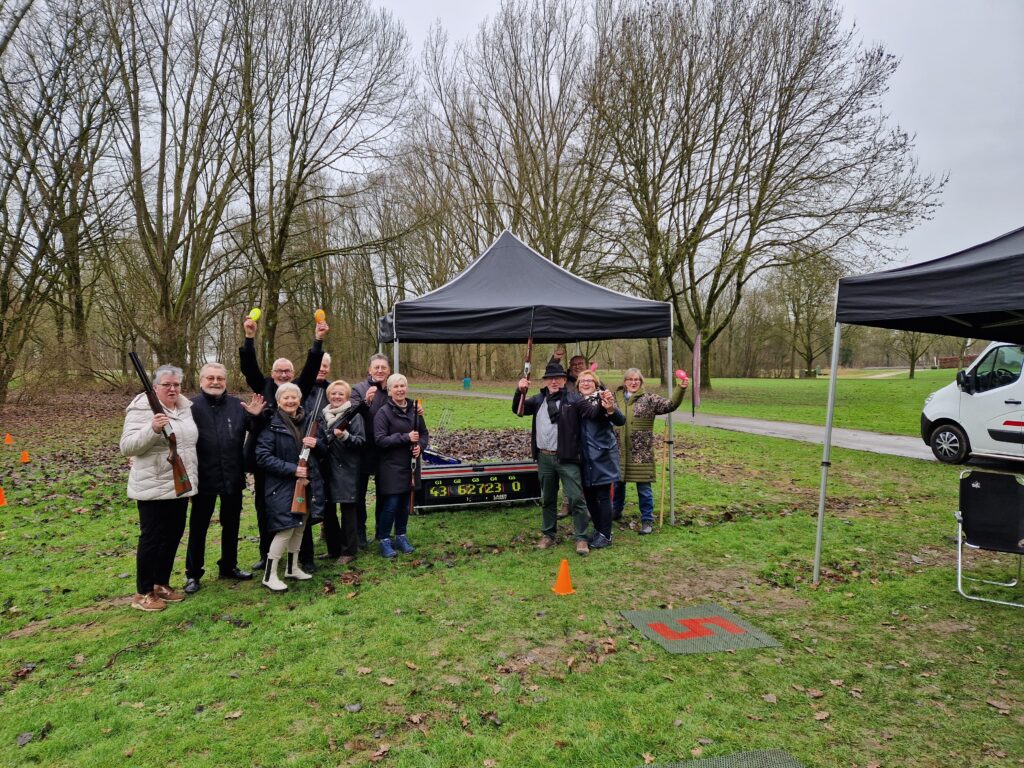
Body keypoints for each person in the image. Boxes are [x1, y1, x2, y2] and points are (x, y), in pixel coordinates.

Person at [239, 314, 328, 570]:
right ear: (272, 373)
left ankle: (304, 558)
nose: (283, 374)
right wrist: (249, 338)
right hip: (267, 458)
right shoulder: (262, 385)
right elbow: (248, 367)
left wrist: (318, 340)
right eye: (279, 370)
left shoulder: (297, 388)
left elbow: (312, 368)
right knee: (266, 508)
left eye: (287, 370)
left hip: (296, 458)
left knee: (302, 506)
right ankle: (266, 556)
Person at [120, 364, 199, 612]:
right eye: (166, 384)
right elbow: (127, 447)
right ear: (155, 387)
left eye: (176, 384)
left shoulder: (185, 408)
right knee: (152, 539)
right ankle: (143, 592)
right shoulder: (142, 408)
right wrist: (152, 429)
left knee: (173, 534)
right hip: (153, 483)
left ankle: (161, 583)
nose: (172, 388)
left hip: (179, 482)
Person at [183, 363, 266, 594]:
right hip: (203, 476)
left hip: (232, 474)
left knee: (231, 524)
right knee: (199, 527)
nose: (215, 382)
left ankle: (229, 565)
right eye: (210, 378)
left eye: (220, 378)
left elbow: (255, 429)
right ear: (201, 381)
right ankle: (193, 574)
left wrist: (257, 417)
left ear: (226, 381)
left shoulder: (237, 405)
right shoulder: (190, 406)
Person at [512, 361, 606, 556]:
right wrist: (519, 391)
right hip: (544, 458)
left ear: (564, 380)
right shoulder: (538, 400)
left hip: (568, 458)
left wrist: (605, 401)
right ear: (545, 381)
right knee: (548, 499)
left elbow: (593, 412)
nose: (554, 381)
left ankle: (581, 538)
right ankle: (548, 534)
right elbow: (518, 410)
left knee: (576, 499)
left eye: (558, 378)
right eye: (550, 378)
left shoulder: (574, 399)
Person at [254, 383, 327, 592]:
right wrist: (292, 469)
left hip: (306, 484)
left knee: (300, 527)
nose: (290, 401)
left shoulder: (309, 422)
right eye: (285, 398)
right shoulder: (271, 425)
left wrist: (316, 444)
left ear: (299, 399)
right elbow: (263, 457)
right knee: (285, 530)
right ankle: (269, 575)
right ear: (278, 401)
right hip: (282, 486)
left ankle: (292, 568)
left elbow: (323, 450)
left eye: (294, 397)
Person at [613, 367, 687, 535]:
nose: (633, 382)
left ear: (641, 382)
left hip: (641, 454)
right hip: (618, 451)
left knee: (644, 489)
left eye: (636, 380)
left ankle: (647, 519)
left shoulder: (649, 399)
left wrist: (680, 388)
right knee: (617, 485)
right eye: (630, 379)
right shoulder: (615, 398)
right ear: (624, 382)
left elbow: (671, 404)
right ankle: (615, 512)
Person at [373, 373, 428, 558]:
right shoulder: (383, 413)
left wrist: (420, 446)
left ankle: (401, 536)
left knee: (405, 504)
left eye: (402, 385)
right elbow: (380, 440)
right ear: (389, 390)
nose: (400, 389)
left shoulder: (415, 409)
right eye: (395, 386)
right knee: (391, 504)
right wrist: (405, 438)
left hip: (410, 466)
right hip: (391, 466)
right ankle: (384, 539)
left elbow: (424, 433)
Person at [574, 370, 625, 549]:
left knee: (603, 496)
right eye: (582, 381)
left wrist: (610, 408)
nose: (586, 384)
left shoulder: (603, 399)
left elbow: (620, 420)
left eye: (589, 381)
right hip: (584, 458)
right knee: (589, 497)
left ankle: (606, 534)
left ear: (596, 384)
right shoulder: (576, 402)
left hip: (602, 456)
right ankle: (598, 530)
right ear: (577, 385)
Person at [349, 353, 392, 549]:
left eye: (384, 367)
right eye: (377, 367)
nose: (380, 370)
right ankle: (359, 534)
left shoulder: (393, 388)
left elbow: (402, 410)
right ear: (370, 370)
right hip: (362, 450)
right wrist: (365, 402)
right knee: (359, 494)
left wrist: (415, 411)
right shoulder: (358, 389)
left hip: (385, 451)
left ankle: (381, 532)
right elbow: (350, 415)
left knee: (384, 494)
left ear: (389, 370)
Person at [321, 379, 365, 565]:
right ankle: (333, 548)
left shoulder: (354, 416)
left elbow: (361, 442)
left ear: (346, 396)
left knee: (348, 511)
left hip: (348, 468)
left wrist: (345, 436)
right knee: (328, 511)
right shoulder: (322, 416)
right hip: (327, 469)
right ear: (328, 395)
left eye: (341, 394)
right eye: (333, 393)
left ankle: (349, 551)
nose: (337, 396)